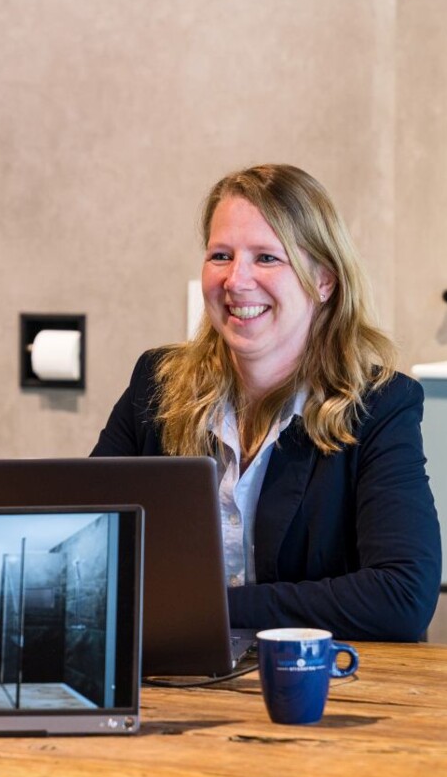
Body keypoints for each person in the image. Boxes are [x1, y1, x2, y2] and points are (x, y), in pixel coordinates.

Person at [93, 163, 440, 642]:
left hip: (325, 691)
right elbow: (87, 546)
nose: (236, 281)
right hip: (177, 682)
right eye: (221, 255)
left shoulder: (380, 406)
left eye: (267, 258)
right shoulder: (156, 383)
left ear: (324, 280)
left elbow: (402, 597)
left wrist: (206, 608)